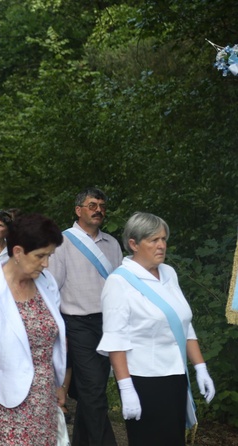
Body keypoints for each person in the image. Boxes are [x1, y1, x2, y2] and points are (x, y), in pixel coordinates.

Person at [97, 212, 215, 445]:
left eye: (163, 239)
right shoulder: (119, 282)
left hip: (176, 375)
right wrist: (126, 388)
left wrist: (200, 368)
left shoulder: (169, 273)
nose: (162, 245)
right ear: (133, 243)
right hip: (144, 380)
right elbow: (115, 339)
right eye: (153, 240)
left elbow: (184, 324)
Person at [0, 213, 66, 445]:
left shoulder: (47, 282)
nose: (46, 263)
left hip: (43, 399)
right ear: (18, 252)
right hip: (3, 403)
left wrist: (59, 386)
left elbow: (55, 342)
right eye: (41, 256)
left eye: (49, 256)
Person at [47, 187, 122, 446]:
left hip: (108, 323)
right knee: (92, 392)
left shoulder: (112, 244)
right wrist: (58, 332)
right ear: (78, 210)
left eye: (101, 205)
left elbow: (120, 287)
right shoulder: (62, 242)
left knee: (96, 389)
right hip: (77, 324)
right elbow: (51, 289)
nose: (98, 209)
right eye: (92, 205)